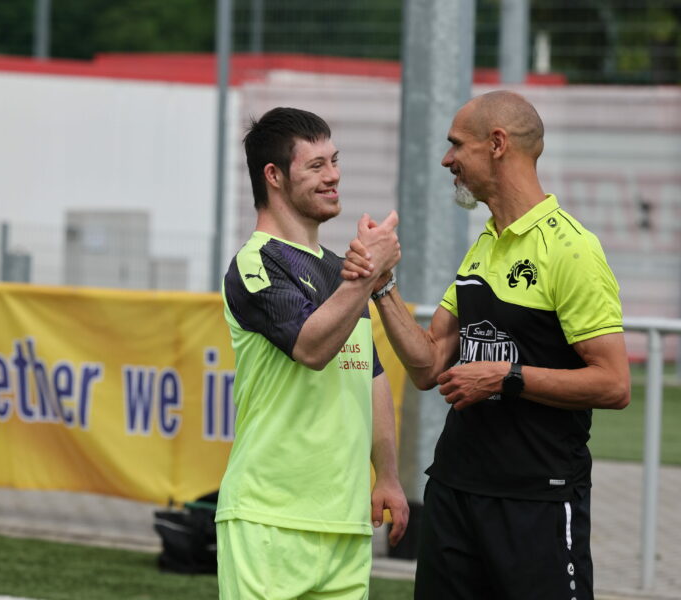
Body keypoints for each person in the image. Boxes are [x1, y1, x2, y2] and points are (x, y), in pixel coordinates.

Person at [342, 90, 631, 600]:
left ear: (497, 144)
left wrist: (506, 377)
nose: (446, 159)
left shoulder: (572, 249)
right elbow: (430, 364)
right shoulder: (484, 244)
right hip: (455, 491)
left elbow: (613, 382)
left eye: (457, 145)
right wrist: (381, 284)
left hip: (535, 499)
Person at [218, 106, 409, 599]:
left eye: (335, 161)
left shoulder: (338, 269)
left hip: (345, 526)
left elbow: (369, 373)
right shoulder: (255, 262)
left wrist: (387, 474)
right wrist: (367, 275)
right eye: (317, 165)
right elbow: (311, 347)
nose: (334, 176)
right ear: (274, 177)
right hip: (269, 520)